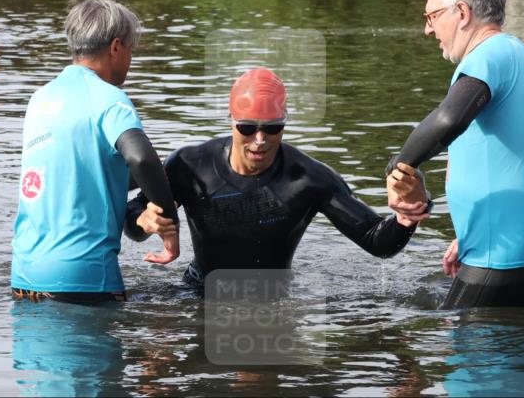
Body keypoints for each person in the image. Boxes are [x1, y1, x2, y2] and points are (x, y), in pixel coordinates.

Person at [385, 0, 524, 309]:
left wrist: (399, 168)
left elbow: (448, 120)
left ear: (461, 11)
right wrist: (472, 234)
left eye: (432, 16)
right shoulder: (522, 58)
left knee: (456, 354)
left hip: (507, 252)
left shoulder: (488, 56)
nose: (428, 30)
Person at [127, 67, 430, 287]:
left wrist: (408, 215)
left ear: (284, 124)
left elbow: (377, 242)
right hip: (200, 291)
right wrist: (142, 222)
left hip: (270, 299)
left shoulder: (309, 179)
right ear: (231, 123)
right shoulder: (190, 166)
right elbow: (132, 217)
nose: (260, 140)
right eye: (247, 128)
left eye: (272, 128)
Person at [11, 0, 179, 303]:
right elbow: (141, 158)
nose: (130, 58)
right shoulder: (109, 99)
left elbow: (86, 173)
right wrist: (170, 223)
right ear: (116, 48)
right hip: (86, 279)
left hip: (25, 276)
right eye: (131, 49)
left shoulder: (40, 99)